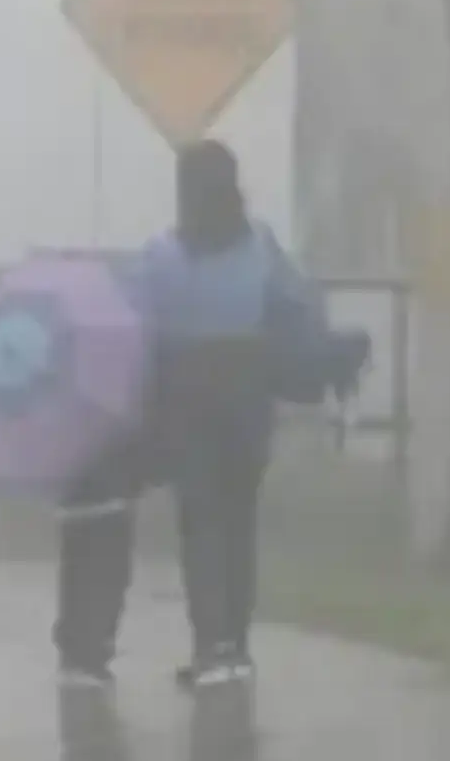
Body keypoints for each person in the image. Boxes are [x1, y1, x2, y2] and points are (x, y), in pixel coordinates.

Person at [54, 139, 356, 690]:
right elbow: (298, 305)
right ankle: (228, 647)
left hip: (183, 401)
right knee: (237, 523)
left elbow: (132, 323)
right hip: (248, 400)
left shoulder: (162, 257)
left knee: (201, 521)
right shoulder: (260, 247)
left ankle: (206, 647)